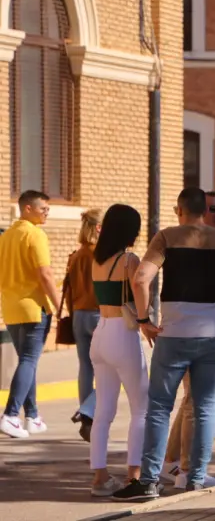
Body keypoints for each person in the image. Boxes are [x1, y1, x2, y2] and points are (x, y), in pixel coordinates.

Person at [112, 188, 215, 502]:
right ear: (205, 210)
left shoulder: (166, 238)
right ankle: (195, 479)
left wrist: (145, 319)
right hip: (211, 334)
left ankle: (148, 481)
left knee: (160, 407)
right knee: (204, 406)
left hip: (173, 334)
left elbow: (140, 279)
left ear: (179, 210)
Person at [87, 204, 151, 497]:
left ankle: (100, 477)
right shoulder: (129, 259)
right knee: (141, 409)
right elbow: (139, 287)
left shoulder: (96, 259)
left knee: (103, 412)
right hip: (123, 334)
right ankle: (134, 476)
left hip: (100, 331)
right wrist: (146, 320)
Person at [0, 190, 58, 438]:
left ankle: (32, 416)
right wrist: (59, 305)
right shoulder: (35, 235)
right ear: (28, 209)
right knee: (29, 361)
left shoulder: (6, 236)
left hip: (11, 308)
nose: (47, 213)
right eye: (43, 208)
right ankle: (11, 415)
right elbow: (45, 274)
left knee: (27, 360)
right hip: (34, 307)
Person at [65, 208, 103, 441]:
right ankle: (88, 411)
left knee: (86, 368)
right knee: (112, 370)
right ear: (99, 228)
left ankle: (88, 418)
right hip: (100, 315)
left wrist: (73, 313)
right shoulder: (101, 254)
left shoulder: (76, 255)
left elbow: (68, 291)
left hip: (79, 315)